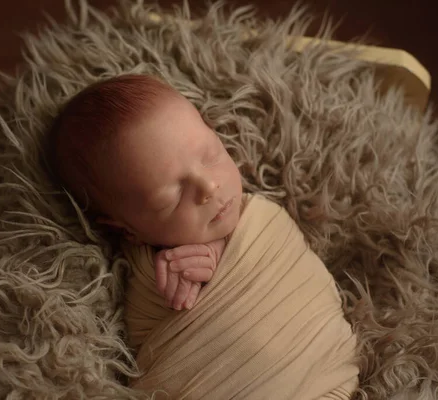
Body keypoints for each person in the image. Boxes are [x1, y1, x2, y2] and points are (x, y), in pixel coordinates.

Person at [47, 74, 359, 399]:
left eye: (211, 155)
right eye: (170, 197)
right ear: (127, 229)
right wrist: (167, 293)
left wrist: (222, 250)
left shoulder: (262, 217)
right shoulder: (151, 273)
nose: (209, 187)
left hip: (328, 373)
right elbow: (147, 337)